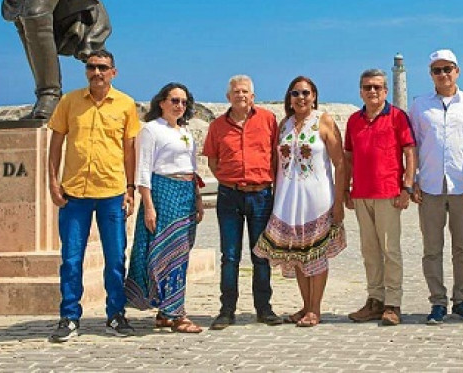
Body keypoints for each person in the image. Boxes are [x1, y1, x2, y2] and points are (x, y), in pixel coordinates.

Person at [45, 49, 140, 342]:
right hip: (75, 194)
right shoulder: (70, 102)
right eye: (91, 67)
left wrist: (130, 189)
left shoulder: (125, 105)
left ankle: (115, 314)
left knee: (114, 258)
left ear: (114, 72)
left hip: (112, 192)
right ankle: (69, 316)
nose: (96, 72)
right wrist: (52, 181)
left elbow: (129, 150)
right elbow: (57, 142)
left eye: (102, 67)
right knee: (71, 258)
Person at [254, 76, 347, 327]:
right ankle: (306, 306)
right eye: (295, 93)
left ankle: (315, 309)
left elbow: (340, 162)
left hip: (316, 197)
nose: (301, 97)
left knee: (316, 254)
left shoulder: (323, 121)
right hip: (288, 198)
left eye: (306, 93)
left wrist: (339, 200)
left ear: (314, 95)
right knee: (297, 255)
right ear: (289, 97)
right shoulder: (284, 124)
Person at [408, 49, 463, 325]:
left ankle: (462, 300)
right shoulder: (419, 106)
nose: (443, 74)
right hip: (429, 185)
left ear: (458, 71)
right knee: (432, 248)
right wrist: (412, 179)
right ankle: (437, 302)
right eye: (437, 70)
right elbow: (412, 145)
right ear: (431, 74)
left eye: (448, 69)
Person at [202, 75, 282, 329]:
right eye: (236, 92)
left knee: (261, 254)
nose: (241, 95)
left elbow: (276, 156)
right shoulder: (217, 126)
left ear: (253, 96)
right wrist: (229, 179)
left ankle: (264, 308)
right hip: (230, 195)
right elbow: (213, 161)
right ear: (228, 97)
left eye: (245, 92)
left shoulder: (268, 120)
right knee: (230, 255)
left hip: (261, 195)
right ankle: (227, 309)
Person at [125, 82, 205, 333]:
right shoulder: (150, 130)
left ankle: (166, 313)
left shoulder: (185, 132)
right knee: (165, 251)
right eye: (174, 100)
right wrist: (148, 206)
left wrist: (198, 198)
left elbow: (192, 169)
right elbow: (144, 171)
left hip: (186, 194)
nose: (179, 105)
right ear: (161, 102)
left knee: (181, 253)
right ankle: (177, 314)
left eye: (183, 101)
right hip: (163, 192)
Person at [343, 69, 417, 326]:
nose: (372, 91)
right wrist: (345, 190)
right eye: (367, 87)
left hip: (388, 193)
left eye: (377, 87)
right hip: (362, 194)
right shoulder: (353, 121)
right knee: (369, 251)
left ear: (386, 90)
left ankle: (392, 303)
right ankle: (374, 300)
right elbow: (349, 158)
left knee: (390, 250)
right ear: (360, 91)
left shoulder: (398, 117)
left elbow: (409, 152)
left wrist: (407, 186)